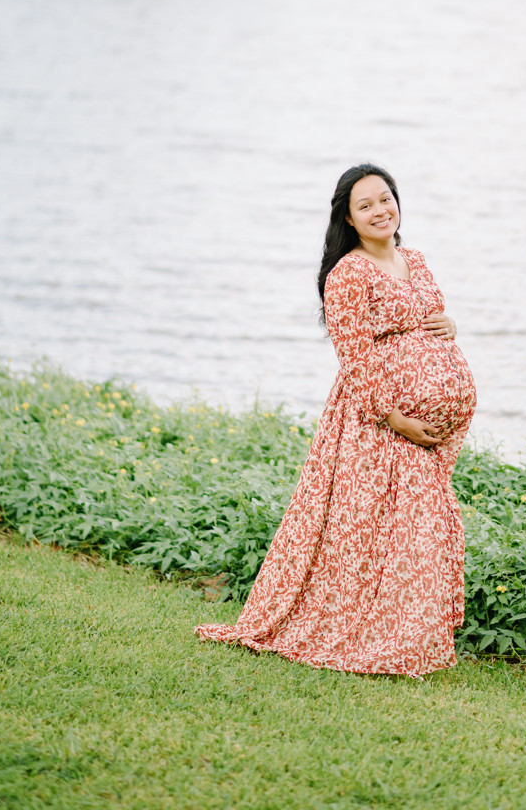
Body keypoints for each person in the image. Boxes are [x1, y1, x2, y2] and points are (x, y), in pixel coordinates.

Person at [195, 163, 476, 676]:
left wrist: (450, 325)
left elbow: (427, 321)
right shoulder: (347, 274)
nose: (379, 210)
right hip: (376, 424)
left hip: (422, 430)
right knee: (374, 532)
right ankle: (365, 632)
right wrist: (396, 418)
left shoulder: (414, 259)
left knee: (416, 531)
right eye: (364, 205)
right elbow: (355, 356)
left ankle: (407, 635)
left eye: (385, 198)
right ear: (347, 219)